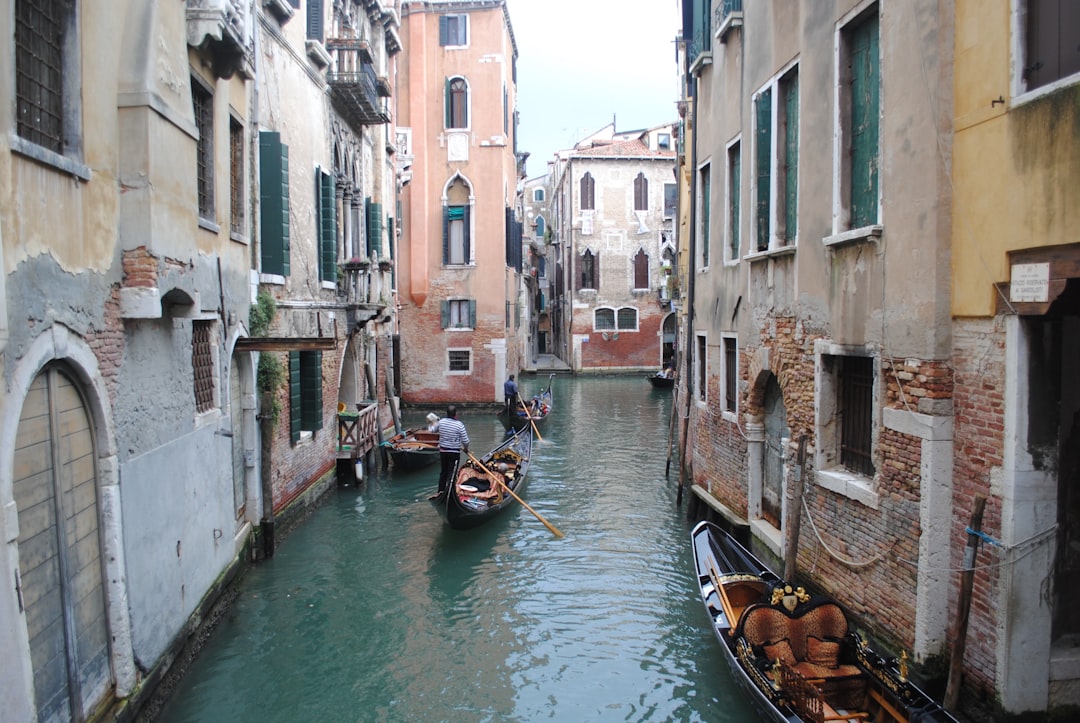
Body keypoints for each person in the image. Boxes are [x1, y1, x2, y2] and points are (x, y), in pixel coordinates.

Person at [432, 405, 469, 500]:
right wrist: (466, 449)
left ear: (447, 413)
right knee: (452, 473)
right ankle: (450, 492)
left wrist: (435, 423)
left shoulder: (441, 422)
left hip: (443, 451)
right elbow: (466, 441)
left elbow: (433, 431)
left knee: (443, 472)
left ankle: (440, 491)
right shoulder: (459, 425)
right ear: (455, 414)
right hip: (454, 452)